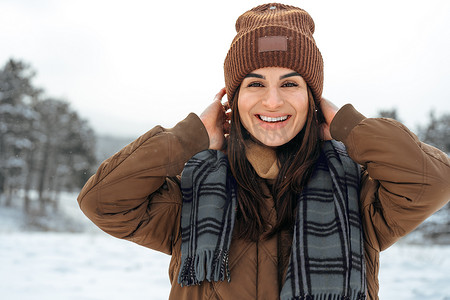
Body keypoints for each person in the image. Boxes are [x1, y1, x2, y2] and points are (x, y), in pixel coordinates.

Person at [77, 3, 450, 300]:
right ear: (232, 101)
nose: (272, 101)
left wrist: (348, 126)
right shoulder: (188, 197)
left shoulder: (359, 195)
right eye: (255, 83)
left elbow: (432, 182)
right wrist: (187, 137)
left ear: (313, 99)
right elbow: (102, 201)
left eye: (290, 83)